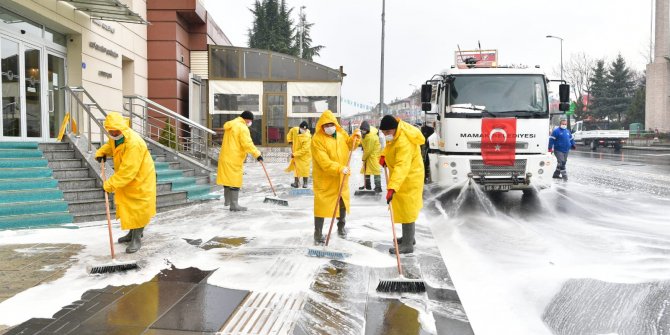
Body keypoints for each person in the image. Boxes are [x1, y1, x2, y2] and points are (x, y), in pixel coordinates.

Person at [95, 112, 156, 254]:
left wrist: (109, 185)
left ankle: (137, 238)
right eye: (111, 130)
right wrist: (101, 152)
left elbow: (128, 171)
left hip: (141, 177)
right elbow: (111, 146)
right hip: (127, 177)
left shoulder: (134, 143)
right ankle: (131, 233)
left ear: (122, 128)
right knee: (128, 206)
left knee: (138, 208)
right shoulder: (116, 136)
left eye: (116, 130)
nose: (113, 132)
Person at [311, 110, 361, 242]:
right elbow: (323, 162)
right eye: (325, 125)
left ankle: (341, 227)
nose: (329, 128)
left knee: (342, 202)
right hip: (326, 178)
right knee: (321, 206)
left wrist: (355, 138)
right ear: (321, 126)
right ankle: (318, 234)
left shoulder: (341, 133)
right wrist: (339, 168)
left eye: (331, 124)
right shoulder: (317, 139)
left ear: (335, 124)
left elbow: (350, 145)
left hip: (341, 176)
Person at [379, 115, 425, 254]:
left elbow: (402, 166)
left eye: (387, 132)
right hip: (403, 177)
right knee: (406, 208)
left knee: (408, 209)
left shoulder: (403, 140)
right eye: (384, 133)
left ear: (394, 129)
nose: (386, 135)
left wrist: (392, 187)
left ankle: (407, 245)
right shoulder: (396, 134)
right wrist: (383, 156)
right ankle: (408, 238)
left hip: (410, 177)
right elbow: (390, 148)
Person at [216, 110, 263, 211]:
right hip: (234, 157)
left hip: (225, 156)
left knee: (227, 179)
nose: (250, 123)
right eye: (250, 121)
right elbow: (247, 144)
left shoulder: (231, 124)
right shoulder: (242, 127)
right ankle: (234, 205)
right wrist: (257, 154)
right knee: (235, 181)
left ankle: (227, 201)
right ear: (247, 119)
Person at [286, 121, 312, 188]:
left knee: (305, 168)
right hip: (296, 153)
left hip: (305, 155)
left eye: (305, 129)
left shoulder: (307, 137)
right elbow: (290, 132)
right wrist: (289, 140)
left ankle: (305, 183)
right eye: (302, 129)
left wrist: (295, 154)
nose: (303, 130)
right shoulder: (295, 129)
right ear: (299, 127)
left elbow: (304, 150)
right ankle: (296, 183)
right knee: (296, 168)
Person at [358, 121, 382, 193]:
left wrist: (364, 157)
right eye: (362, 130)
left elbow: (369, 149)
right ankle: (367, 185)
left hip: (374, 154)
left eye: (364, 130)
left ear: (367, 130)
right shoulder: (364, 133)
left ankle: (378, 187)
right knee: (366, 170)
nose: (363, 131)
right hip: (368, 153)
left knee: (375, 170)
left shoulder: (371, 137)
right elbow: (363, 142)